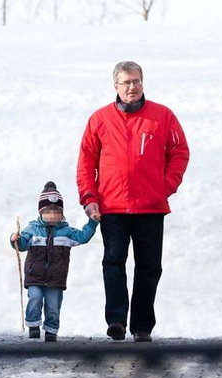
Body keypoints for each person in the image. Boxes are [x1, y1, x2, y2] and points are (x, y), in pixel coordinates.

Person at [76, 61, 189, 342]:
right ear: (115, 86)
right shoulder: (99, 119)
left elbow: (180, 152)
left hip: (150, 207)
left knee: (149, 267)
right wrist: (89, 197)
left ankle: (142, 326)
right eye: (126, 82)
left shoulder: (163, 116)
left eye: (136, 81)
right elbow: (86, 161)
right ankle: (116, 320)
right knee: (113, 262)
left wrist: (166, 186)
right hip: (112, 207)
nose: (132, 87)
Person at [10, 181, 98, 342]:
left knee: (53, 306)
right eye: (48, 212)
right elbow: (22, 245)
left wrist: (92, 222)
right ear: (41, 212)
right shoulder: (31, 230)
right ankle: (33, 325)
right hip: (35, 276)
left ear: (61, 213)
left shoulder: (66, 232)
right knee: (35, 298)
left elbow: (83, 237)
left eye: (56, 212)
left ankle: (51, 330)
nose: (52, 216)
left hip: (56, 278)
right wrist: (15, 239)